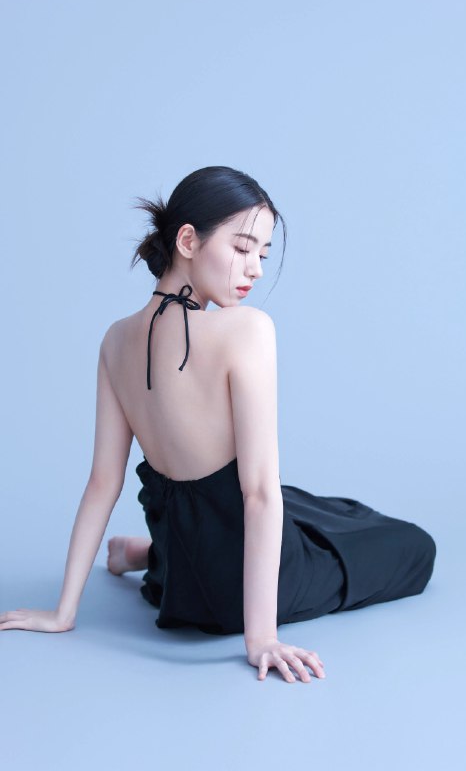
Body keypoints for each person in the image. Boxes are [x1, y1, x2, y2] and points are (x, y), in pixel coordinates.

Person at [0, 165, 436, 683]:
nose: (255, 270)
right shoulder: (246, 329)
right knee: (409, 545)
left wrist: (63, 611)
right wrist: (262, 638)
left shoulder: (115, 340)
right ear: (187, 240)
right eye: (243, 248)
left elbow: (102, 483)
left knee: (299, 505)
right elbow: (259, 493)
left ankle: (152, 554)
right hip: (239, 595)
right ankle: (149, 554)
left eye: (263, 255)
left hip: (182, 580)